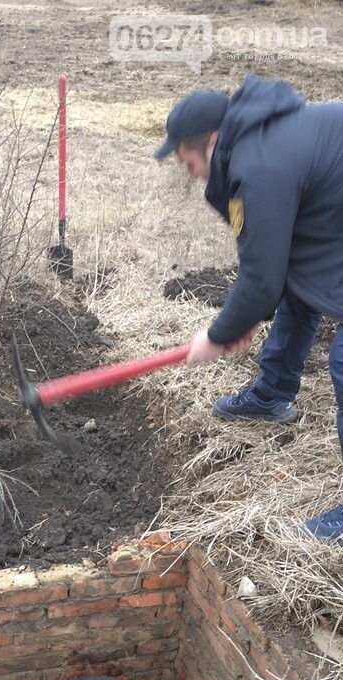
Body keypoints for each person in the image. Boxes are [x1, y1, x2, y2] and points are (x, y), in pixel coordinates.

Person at [155, 74, 343, 544]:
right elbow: (274, 267)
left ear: (212, 142)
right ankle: (272, 394)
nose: (193, 174)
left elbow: (259, 279)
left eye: (190, 162)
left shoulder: (260, 166)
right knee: (300, 286)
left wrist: (218, 334)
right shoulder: (257, 145)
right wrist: (245, 317)